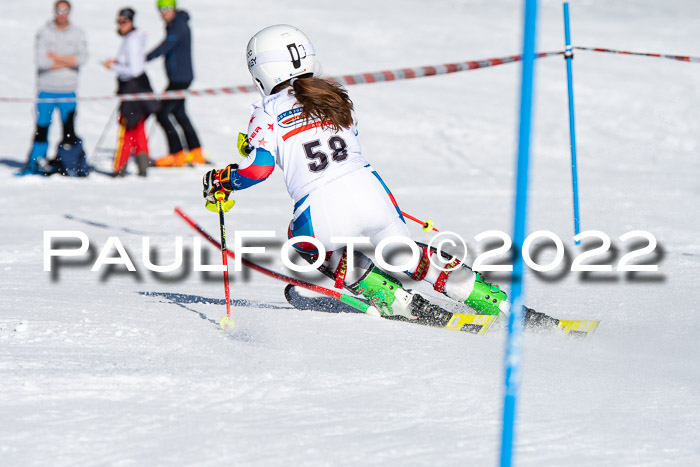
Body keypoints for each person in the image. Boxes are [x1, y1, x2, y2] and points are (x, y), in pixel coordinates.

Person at [201, 25, 552, 325]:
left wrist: (223, 180)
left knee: (303, 240)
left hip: (321, 206)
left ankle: (394, 299)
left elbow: (257, 170)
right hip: (371, 191)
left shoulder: (267, 109)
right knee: (407, 254)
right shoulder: (334, 94)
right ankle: (498, 304)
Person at [18, 0, 87, 176]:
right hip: (46, 89)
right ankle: (35, 164)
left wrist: (55, 58)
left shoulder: (77, 33)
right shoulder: (44, 32)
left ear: (70, 12)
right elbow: (41, 61)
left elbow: (81, 59)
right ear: (54, 12)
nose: (61, 14)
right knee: (42, 128)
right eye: (58, 10)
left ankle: (68, 163)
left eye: (65, 11)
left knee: (69, 131)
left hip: (68, 90)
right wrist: (67, 60)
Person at [147, 0, 205, 167]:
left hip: (181, 78)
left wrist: (144, 58)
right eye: (160, 9)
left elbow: (165, 46)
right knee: (179, 113)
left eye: (166, 8)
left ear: (174, 8)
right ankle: (196, 152)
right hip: (179, 78)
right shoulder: (175, 24)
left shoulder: (178, 25)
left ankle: (177, 154)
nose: (163, 12)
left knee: (162, 113)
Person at [103, 8, 159, 177]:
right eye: (118, 22)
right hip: (137, 88)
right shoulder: (133, 38)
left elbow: (134, 70)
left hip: (133, 88)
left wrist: (113, 66)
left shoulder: (132, 40)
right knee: (138, 128)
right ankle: (142, 166)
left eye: (123, 22)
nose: (120, 26)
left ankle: (120, 166)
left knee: (127, 128)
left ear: (131, 22)